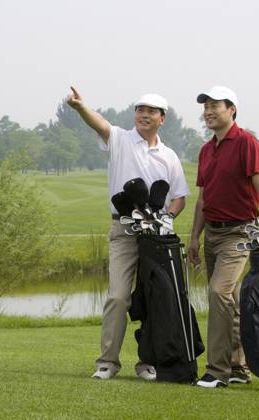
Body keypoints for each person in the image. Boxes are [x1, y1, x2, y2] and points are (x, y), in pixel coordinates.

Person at [66, 86, 190, 380]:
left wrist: (167, 218)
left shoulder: (169, 156)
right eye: (140, 110)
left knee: (153, 298)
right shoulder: (120, 138)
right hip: (123, 228)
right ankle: (107, 362)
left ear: (162, 118)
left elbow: (180, 198)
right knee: (119, 296)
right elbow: (99, 123)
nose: (143, 115)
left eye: (150, 112)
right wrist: (81, 107)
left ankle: (148, 362)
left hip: (156, 235)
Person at [187, 86, 259, 388]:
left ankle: (217, 371)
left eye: (215, 106)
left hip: (239, 233)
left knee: (218, 293)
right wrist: (194, 238)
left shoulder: (246, 142)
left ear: (232, 110)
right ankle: (240, 368)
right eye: (206, 107)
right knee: (231, 302)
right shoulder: (205, 150)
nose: (209, 111)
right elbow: (203, 199)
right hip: (212, 233)